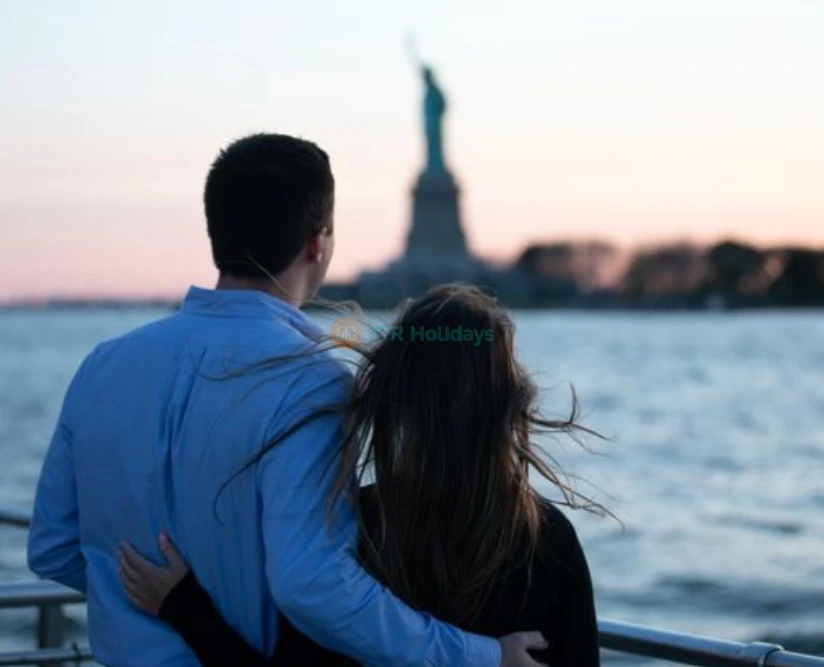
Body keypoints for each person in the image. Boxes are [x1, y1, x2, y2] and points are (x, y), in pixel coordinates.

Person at [27, 134, 545, 666]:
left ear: (216, 231)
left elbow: (51, 547)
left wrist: (135, 606)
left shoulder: (103, 365)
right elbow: (312, 585)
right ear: (318, 245)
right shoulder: (311, 382)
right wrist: (479, 657)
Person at [117, 284, 603, 667]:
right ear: (506, 406)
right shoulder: (547, 540)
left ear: (396, 401)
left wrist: (186, 608)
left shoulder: (353, 527)